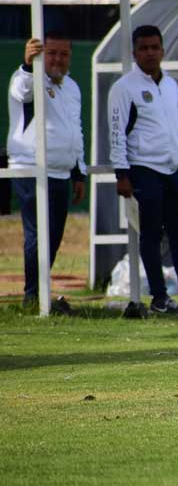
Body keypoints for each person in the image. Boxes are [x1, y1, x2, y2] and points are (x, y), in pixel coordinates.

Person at [108, 25, 178, 314]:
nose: (149, 53)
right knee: (151, 234)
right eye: (143, 48)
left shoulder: (171, 85)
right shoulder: (125, 88)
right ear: (134, 53)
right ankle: (159, 298)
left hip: (173, 169)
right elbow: (116, 132)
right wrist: (121, 173)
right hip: (144, 168)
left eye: (154, 47)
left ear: (162, 50)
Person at [6, 33, 84, 313]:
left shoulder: (72, 87)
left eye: (64, 54)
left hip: (62, 171)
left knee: (53, 236)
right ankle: (33, 296)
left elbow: (76, 131)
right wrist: (28, 65)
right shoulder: (26, 78)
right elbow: (22, 91)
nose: (58, 60)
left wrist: (79, 172)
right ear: (40, 53)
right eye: (52, 53)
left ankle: (39, 292)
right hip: (31, 168)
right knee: (38, 235)